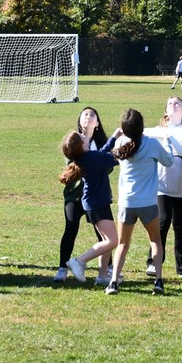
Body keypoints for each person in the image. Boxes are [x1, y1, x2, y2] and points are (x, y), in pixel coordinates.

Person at [105, 109, 174, 296]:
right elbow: (168, 162)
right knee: (155, 240)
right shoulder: (151, 143)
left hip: (127, 203)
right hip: (148, 203)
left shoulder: (120, 142)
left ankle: (113, 283)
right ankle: (159, 280)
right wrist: (168, 143)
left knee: (122, 244)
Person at [54, 107, 109, 283]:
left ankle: (106, 268)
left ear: (97, 123)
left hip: (95, 196)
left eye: (93, 114)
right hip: (74, 195)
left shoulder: (102, 143)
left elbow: (107, 165)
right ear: (79, 121)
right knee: (70, 228)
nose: (88, 117)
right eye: (85, 114)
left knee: (103, 234)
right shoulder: (73, 140)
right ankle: (63, 267)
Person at [59, 128, 120, 286]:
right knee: (113, 241)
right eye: (82, 137)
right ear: (82, 144)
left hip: (95, 202)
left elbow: (101, 153)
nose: (85, 136)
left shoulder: (87, 157)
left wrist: (114, 137)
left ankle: (102, 275)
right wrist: (132, 144)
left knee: (107, 240)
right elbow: (114, 158)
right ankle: (79, 261)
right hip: (97, 203)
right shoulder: (92, 157)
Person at [152, 97, 182, 279]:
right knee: (162, 221)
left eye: (177, 103)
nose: (174, 105)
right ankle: (153, 262)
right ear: (166, 112)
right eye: (170, 103)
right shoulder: (157, 132)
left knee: (180, 225)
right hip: (162, 184)